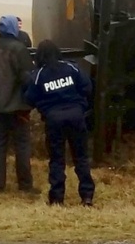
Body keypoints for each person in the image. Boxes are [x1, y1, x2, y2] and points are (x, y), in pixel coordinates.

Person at [24, 39, 96, 206]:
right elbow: (87, 87)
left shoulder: (39, 75)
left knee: (57, 159)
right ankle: (87, 196)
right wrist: (80, 104)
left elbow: (29, 98)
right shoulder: (72, 67)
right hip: (76, 117)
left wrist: (45, 106)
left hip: (54, 120)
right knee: (81, 158)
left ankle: (57, 198)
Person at [0, 15, 37, 193]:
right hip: (17, 107)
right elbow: (28, 79)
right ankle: (25, 185)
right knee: (22, 144)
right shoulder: (19, 49)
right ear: (14, 29)